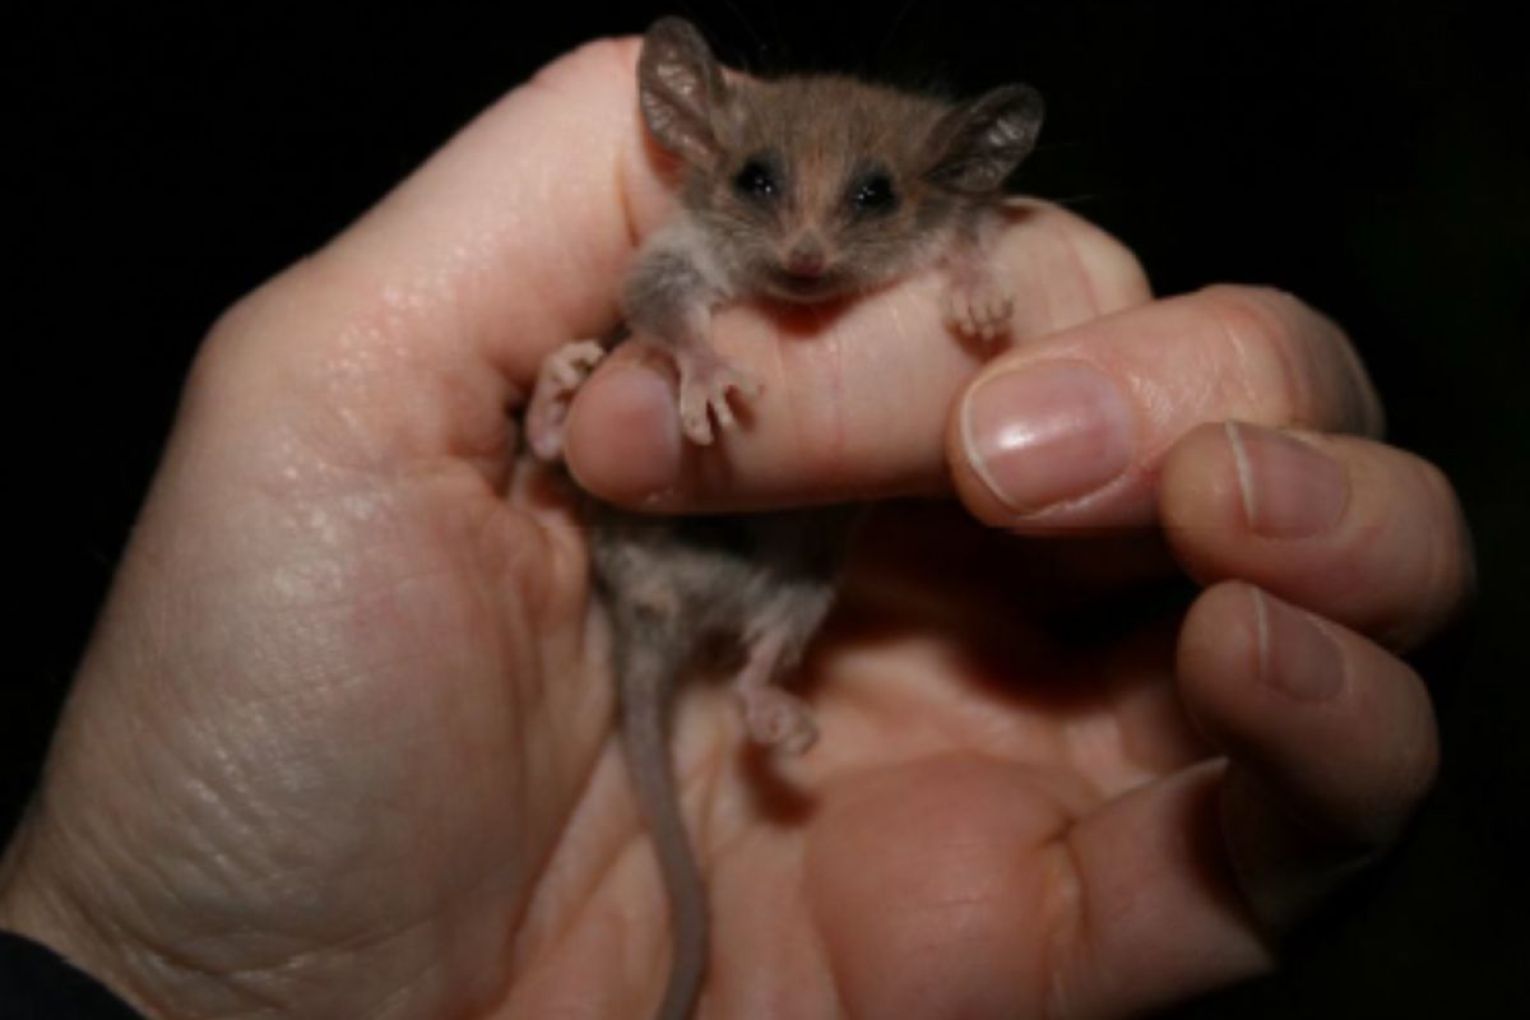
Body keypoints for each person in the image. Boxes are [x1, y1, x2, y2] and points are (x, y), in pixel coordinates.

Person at [0, 35, 1469, 1019]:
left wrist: (969, 281)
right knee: (701, 443)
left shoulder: (953, 235)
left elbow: (960, 249)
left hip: (775, 578)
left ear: (949, 190)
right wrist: (142, 974)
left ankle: (766, 668)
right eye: (767, 187)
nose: (813, 240)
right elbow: (660, 295)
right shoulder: (686, 229)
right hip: (624, 569)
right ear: (699, 147)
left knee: (823, 525)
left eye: (873, 202)